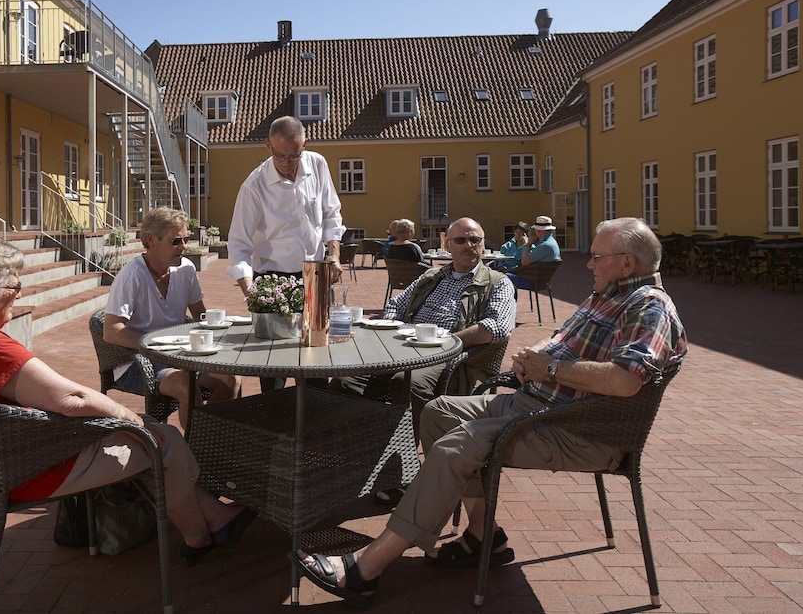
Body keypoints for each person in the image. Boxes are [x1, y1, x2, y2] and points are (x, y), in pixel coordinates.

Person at [292, 217, 688, 608]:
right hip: (538, 405)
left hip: (576, 428)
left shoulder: (649, 306)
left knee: (455, 447)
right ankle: (484, 535)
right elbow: (561, 338)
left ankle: (365, 569)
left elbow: (626, 380)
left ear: (627, 263)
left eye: (597, 257)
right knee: (439, 412)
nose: (588, 263)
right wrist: (535, 355)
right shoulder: (607, 294)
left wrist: (549, 369)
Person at [0, 239, 256, 567]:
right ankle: (199, 537)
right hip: (36, 469)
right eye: (13, 287)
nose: (20, 294)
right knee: (164, 440)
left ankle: (218, 517)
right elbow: (73, 399)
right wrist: (131, 420)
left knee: (146, 429)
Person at [329, 217, 516, 431]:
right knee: (345, 381)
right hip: (406, 348)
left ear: (483, 244)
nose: (469, 245)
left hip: (449, 358)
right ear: (447, 245)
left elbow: (497, 327)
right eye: (460, 240)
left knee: (406, 382)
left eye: (475, 240)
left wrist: (448, 343)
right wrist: (391, 329)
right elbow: (396, 304)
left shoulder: (498, 282)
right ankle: (359, 439)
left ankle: (406, 443)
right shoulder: (432, 276)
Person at [227, 115, 345, 391]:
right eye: (281, 156)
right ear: (267, 146)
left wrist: (334, 255)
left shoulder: (318, 164)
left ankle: (316, 412)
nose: (289, 163)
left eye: (295, 155)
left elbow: (331, 213)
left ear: (305, 144)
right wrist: (251, 292)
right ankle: (275, 415)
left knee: (316, 361)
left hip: (314, 274)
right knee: (273, 365)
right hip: (273, 280)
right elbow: (239, 243)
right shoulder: (254, 186)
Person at [103, 207, 240, 428]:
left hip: (180, 357)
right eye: (176, 241)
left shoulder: (185, 269)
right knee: (186, 386)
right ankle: (198, 443)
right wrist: (155, 346)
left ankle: (210, 436)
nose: (184, 246)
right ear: (151, 240)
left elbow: (200, 315)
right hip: (137, 363)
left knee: (230, 377)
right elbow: (111, 331)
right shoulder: (131, 275)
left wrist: (221, 332)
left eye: (186, 239)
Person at [507, 215, 561, 289]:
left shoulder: (545, 246)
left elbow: (524, 262)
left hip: (532, 281)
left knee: (502, 277)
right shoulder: (552, 242)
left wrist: (527, 245)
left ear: (539, 231)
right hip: (541, 280)